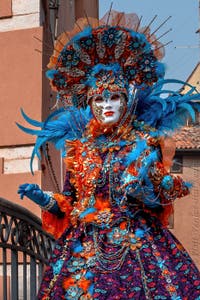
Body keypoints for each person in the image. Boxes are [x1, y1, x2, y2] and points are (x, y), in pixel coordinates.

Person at [17, 10, 200, 299]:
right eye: (99, 99)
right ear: (89, 103)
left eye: (113, 97)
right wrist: (44, 198)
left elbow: (166, 191)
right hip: (85, 250)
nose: (106, 105)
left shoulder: (143, 140)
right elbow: (71, 202)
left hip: (137, 243)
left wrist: (144, 188)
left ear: (126, 99)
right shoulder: (82, 149)